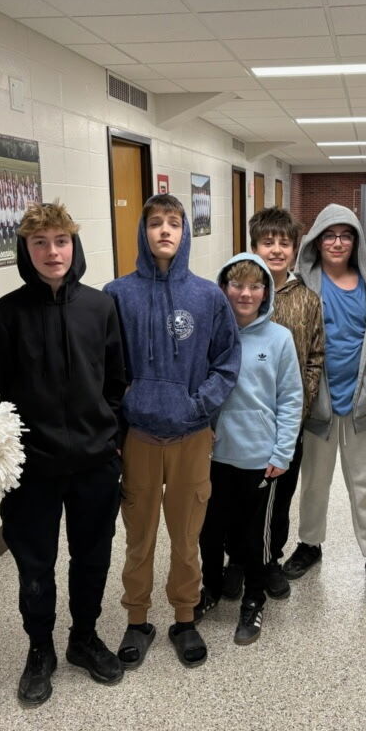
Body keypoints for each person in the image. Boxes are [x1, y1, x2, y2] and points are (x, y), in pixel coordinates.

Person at [0, 201, 127, 706]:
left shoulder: (101, 307)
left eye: (60, 241)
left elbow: (117, 380)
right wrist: (7, 459)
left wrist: (109, 440)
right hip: (33, 469)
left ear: (75, 245)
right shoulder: (7, 313)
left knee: (92, 558)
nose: (52, 252)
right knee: (35, 565)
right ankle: (39, 648)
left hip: (94, 462)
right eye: (40, 243)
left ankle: (83, 638)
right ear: (26, 250)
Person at [104, 194, 241, 669]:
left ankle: (185, 617)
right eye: (155, 223)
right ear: (142, 232)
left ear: (185, 234)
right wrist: (123, 417)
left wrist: (196, 404)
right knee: (138, 537)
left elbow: (227, 363)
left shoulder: (208, 297)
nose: (165, 230)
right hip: (138, 437)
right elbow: (106, 368)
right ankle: (136, 619)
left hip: (191, 436)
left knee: (187, 537)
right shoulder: (117, 295)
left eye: (174, 224)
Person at [282, 203, 366, 602]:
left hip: (362, 405)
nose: (337, 242)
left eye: (345, 235)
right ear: (317, 239)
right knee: (314, 482)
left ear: (355, 242)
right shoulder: (303, 284)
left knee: (364, 485)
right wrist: (306, 396)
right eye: (329, 235)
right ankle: (310, 545)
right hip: (318, 407)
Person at [195, 254, 302, 644]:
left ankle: (254, 600)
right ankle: (210, 588)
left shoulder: (279, 339)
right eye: (237, 285)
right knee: (210, 532)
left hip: (260, 458)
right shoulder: (210, 336)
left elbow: (291, 399)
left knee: (255, 537)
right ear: (224, 288)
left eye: (255, 286)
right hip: (213, 456)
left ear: (266, 292)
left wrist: (281, 453)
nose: (245, 293)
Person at [221, 207, 323, 601]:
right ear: (254, 247)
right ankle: (236, 561)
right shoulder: (234, 295)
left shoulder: (307, 300)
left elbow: (314, 359)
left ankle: (269, 560)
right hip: (238, 426)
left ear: (295, 250)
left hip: (284, 423)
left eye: (284, 243)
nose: (276, 250)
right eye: (268, 242)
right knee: (233, 500)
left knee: (278, 500)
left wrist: (295, 416)